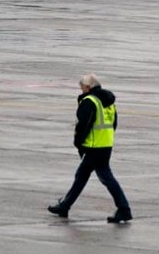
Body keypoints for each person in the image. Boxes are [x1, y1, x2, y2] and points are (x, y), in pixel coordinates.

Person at [48, 73, 133, 223]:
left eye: (82, 88)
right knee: (83, 175)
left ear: (88, 87)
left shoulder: (89, 101)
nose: (81, 90)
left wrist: (78, 143)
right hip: (105, 144)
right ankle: (65, 205)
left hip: (93, 146)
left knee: (103, 177)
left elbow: (83, 126)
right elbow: (114, 124)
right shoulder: (108, 101)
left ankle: (124, 209)